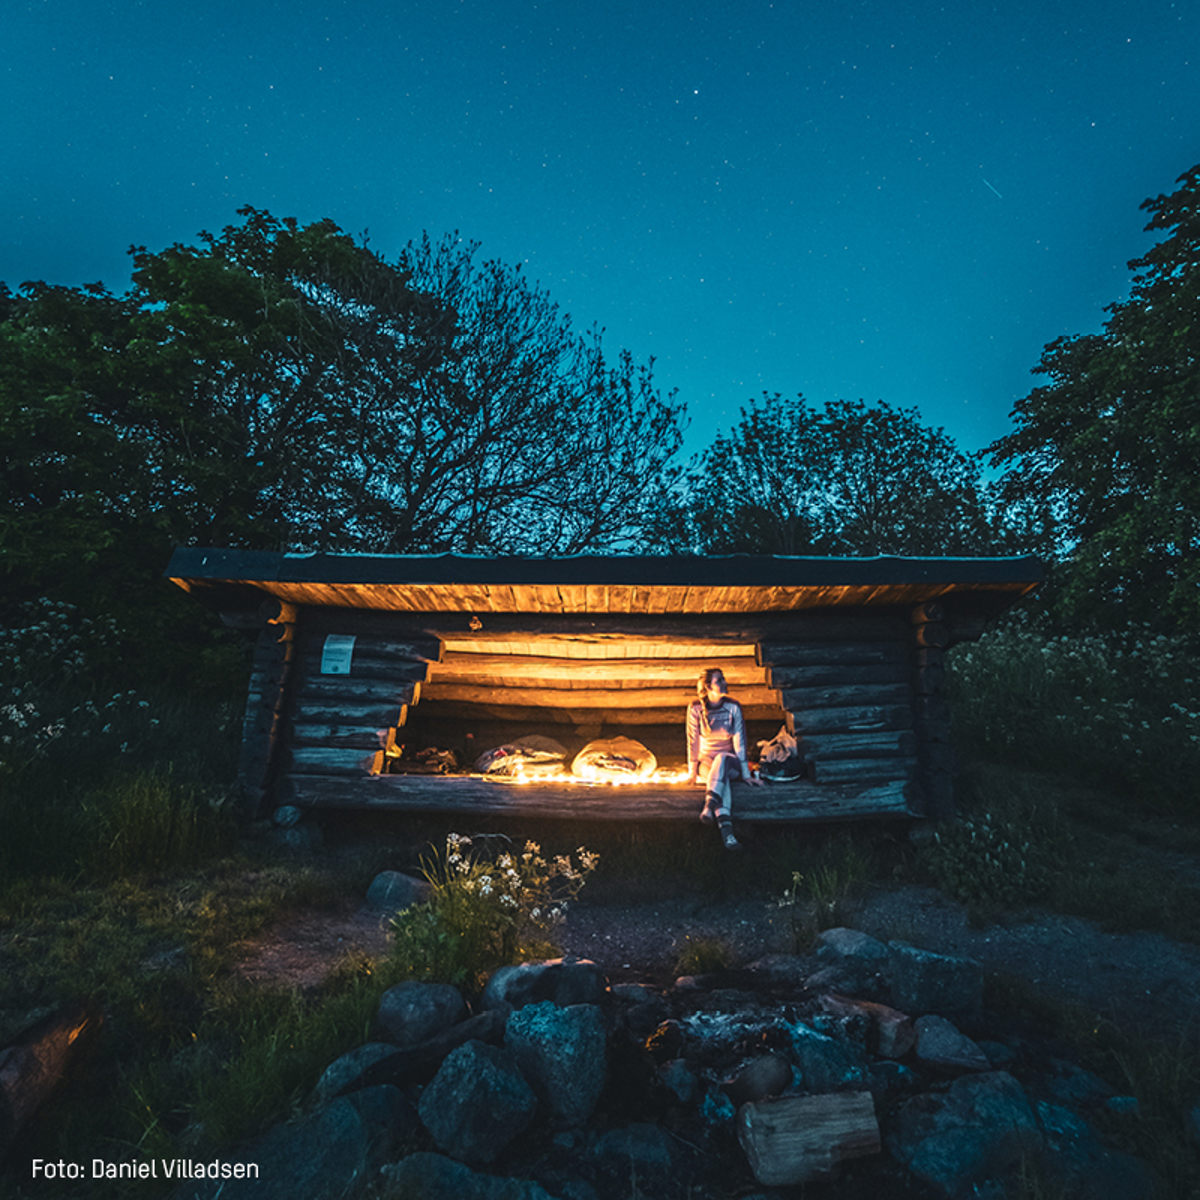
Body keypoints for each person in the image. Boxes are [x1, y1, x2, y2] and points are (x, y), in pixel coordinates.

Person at [685, 667, 763, 850]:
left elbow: (739, 742)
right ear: (708, 687)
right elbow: (692, 741)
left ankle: (709, 805)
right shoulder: (695, 709)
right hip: (707, 765)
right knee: (721, 779)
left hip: (730, 762)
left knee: (721, 760)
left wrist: (746, 775)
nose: (725, 682)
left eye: (723, 679)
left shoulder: (733, 707)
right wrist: (692, 773)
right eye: (719, 680)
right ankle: (728, 835)